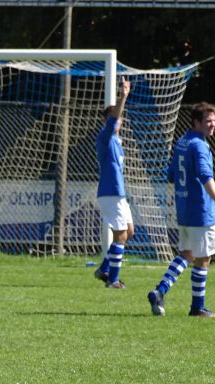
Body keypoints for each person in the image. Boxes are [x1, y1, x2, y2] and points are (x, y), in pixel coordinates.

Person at [147, 102, 215, 318]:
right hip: (200, 210)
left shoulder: (182, 142)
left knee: (188, 254)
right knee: (203, 258)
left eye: (214, 121)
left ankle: (159, 291)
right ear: (196, 122)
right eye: (208, 121)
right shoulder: (199, 146)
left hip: (184, 210)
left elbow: (171, 174)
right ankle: (198, 308)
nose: (213, 125)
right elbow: (206, 177)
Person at [94, 78, 133, 289]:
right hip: (110, 192)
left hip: (119, 193)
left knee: (129, 231)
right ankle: (113, 280)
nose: (117, 121)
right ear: (106, 121)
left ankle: (104, 269)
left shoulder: (117, 141)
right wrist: (123, 96)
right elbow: (114, 118)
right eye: (113, 118)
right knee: (120, 235)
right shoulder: (105, 137)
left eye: (119, 118)